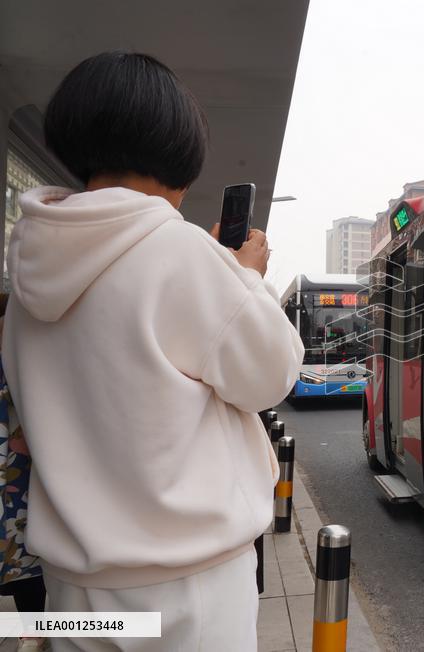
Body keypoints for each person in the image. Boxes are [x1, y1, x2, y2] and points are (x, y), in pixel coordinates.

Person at [2, 51, 304, 650]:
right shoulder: (181, 252)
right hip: (185, 591)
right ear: (180, 159)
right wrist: (243, 274)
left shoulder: (26, 278)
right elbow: (271, 376)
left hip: (73, 587)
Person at [0, 294, 48, 652]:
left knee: (27, 573)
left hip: (19, 488)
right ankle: (34, 633)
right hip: (21, 490)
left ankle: (34, 632)